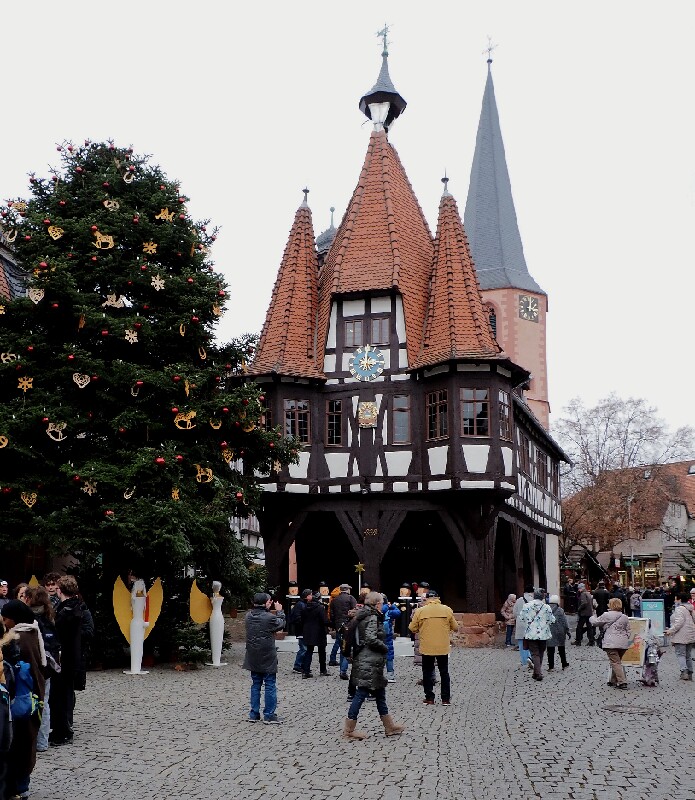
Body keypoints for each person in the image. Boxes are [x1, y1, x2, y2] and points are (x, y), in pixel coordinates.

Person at [343, 591, 404, 740]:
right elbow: (370, 639)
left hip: (369, 660)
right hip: (369, 661)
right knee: (361, 693)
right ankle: (349, 730)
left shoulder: (365, 615)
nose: (382, 605)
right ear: (377, 604)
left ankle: (389, 726)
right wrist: (384, 647)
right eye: (381, 603)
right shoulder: (372, 617)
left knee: (380, 694)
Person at [1, 599, 46, 799]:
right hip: (31, 695)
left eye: (6, 618)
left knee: (20, 743)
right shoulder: (32, 631)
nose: (4, 622)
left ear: (15, 619)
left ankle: (19, 788)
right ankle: (21, 786)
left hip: (23, 697)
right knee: (25, 743)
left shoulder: (20, 637)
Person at [23, 586, 59, 754]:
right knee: (44, 703)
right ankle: (42, 741)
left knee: (32, 702)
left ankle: (35, 741)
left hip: (36, 666)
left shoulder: (32, 620)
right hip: (47, 667)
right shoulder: (49, 617)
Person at [50, 575, 83, 745]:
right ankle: (62, 729)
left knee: (61, 696)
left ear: (60, 590)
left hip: (65, 658)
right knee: (63, 695)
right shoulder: (74, 607)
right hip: (70, 658)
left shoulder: (66, 611)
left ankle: (62, 731)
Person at [409, 589, 458, 705]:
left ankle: (429, 698)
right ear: (438, 598)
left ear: (427, 599)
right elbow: (455, 627)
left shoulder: (420, 611)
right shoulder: (447, 610)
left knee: (427, 672)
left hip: (427, 646)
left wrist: (421, 629)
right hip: (442, 647)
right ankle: (445, 699)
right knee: (444, 672)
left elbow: (412, 628)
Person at [243, 592, 285, 724]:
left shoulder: (248, 616)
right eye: (269, 601)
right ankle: (269, 715)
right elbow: (281, 624)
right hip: (267, 655)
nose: (271, 603)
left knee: (255, 684)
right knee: (270, 684)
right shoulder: (269, 617)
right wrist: (280, 611)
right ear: (265, 603)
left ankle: (254, 714)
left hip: (253, 654)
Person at [590, 597, 630, 689]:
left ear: (611, 605)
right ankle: (613, 680)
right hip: (623, 643)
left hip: (611, 643)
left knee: (615, 662)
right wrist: (626, 637)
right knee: (616, 662)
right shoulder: (624, 616)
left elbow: (595, 623)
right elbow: (628, 630)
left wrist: (592, 617)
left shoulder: (606, 615)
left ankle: (622, 682)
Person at [519, 588, 554, 681]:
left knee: (535, 653)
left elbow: (521, 618)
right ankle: (537, 672)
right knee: (540, 653)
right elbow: (552, 620)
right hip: (543, 634)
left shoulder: (527, 606)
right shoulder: (546, 607)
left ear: (534, 596)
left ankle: (537, 673)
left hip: (531, 633)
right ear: (542, 597)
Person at [298, 589, 329, 678]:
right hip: (319, 632)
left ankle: (306, 671)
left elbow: (302, 620)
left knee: (309, 651)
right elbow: (324, 620)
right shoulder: (320, 607)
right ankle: (323, 670)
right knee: (322, 652)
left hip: (308, 631)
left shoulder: (305, 607)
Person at [329, 583, 357, 680]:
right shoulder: (351, 598)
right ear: (347, 590)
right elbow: (355, 612)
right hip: (349, 626)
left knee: (341, 645)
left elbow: (331, 614)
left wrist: (335, 624)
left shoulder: (334, 600)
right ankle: (343, 670)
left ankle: (340, 668)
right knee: (347, 648)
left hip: (338, 626)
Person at [664, 592, 695, 681]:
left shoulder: (679, 609)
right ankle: (690, 673)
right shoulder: (691, 608)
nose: (675, 600)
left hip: (681, 635)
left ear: (680, 600)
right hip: (691, 634)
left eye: (676, 599)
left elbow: (679, 623)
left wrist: (670, 631)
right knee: (688, 655)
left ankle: (684, 672)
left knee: (680, 654)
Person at [546, 594, 570, 671]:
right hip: (560, 631)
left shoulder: (546, 610)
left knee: (550, 649)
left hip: (549, 631)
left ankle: (551, 666)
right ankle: (564, 664)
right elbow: (564, 622)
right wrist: (567, 631)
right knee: (561, 648)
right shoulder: (560, 610)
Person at [513, 585, 535, 665]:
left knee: (521, 643)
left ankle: (524, 661)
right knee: (531, 643)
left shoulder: (519, 600)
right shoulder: (534, 601)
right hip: (530, 624)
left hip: (520, 624)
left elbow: (514, 612)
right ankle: (530, 657)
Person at [381, 596, 401, 681]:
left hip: (377, 635)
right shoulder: (389, 611)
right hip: (387, 636)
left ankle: (377, 674)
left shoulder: (375, 610)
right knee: (389, 655)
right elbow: (398, 612)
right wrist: (392, 606)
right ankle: (390, 675)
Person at [288, 591, 308, 675]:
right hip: (301, 630)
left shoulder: (301, 604)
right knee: (303, 649)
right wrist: (304, 624)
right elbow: (298, 618)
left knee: (305, 648)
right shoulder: (301, 605)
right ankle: (297, 666)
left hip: (302, 630)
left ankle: (302, 666)